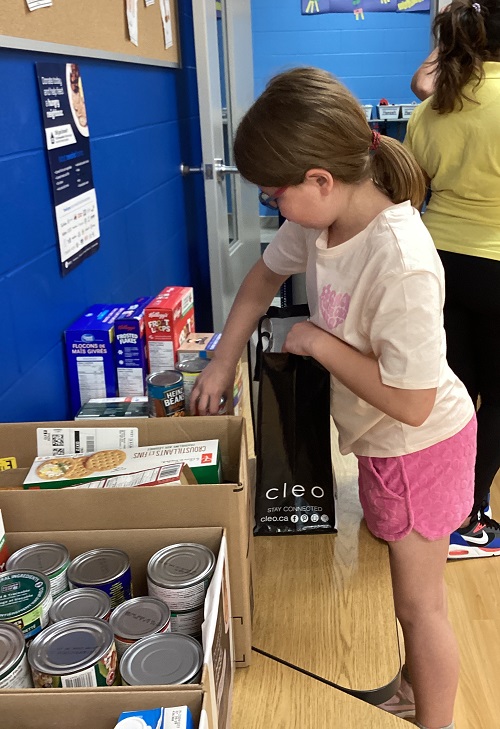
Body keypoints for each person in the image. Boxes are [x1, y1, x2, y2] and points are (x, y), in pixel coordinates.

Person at [191, 66, 475, 729]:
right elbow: (262, 279)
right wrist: (222, 359)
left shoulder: (400, 258)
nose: (271, 208)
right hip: (386, 443)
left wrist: (318, 342)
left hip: (421, 444)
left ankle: (435, 718)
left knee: (420, 605)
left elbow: (411, 400)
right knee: (412, 597)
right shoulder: (322, 224)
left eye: (273, 195)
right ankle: (409, 689)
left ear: (319, 179)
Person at [405, 0, 500, 559]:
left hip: (438, 261)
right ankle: (471, 513)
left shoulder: (432, 109)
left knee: (454, 392)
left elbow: (414, 186)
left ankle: (436, 506)